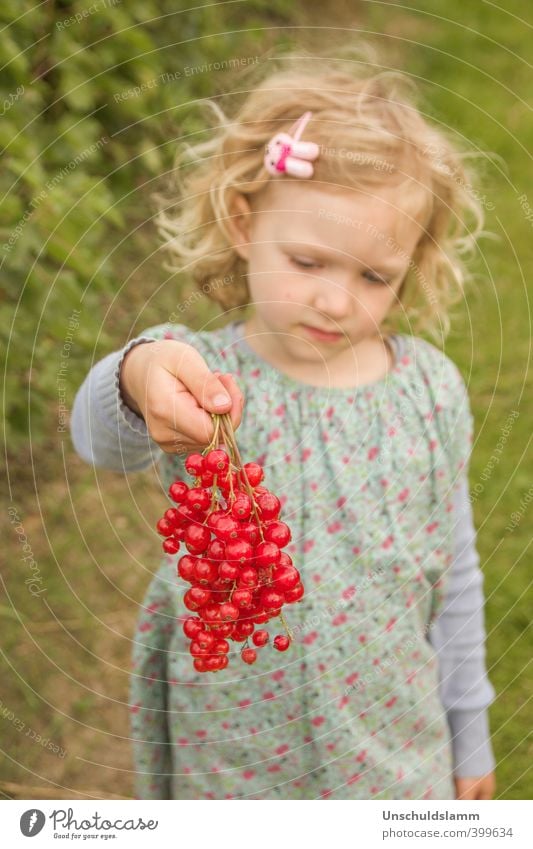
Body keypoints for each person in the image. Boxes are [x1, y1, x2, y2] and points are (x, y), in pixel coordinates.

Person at [71, 51, 497, 801]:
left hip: (390, 753)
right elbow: (98, 439)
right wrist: (138, 377)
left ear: (410, 265)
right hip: (233, 753)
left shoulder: (430, 390)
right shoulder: (203, 378)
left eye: (373, 276)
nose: (335, 301)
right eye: (307, 261)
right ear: (243, 224)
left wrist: (468, 729)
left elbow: (452, 574)